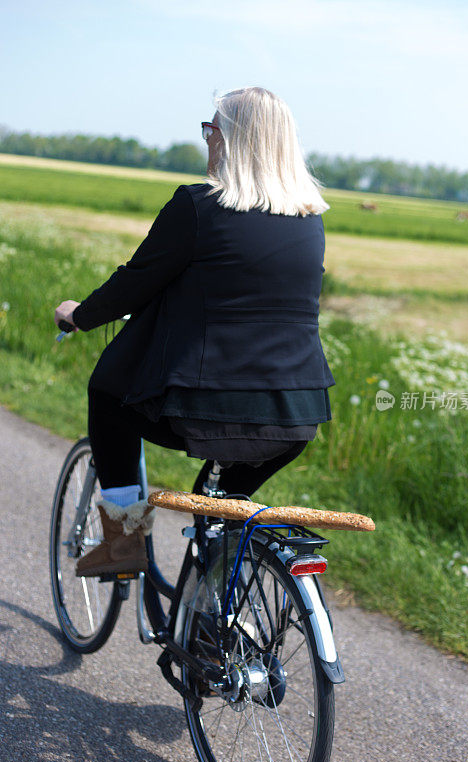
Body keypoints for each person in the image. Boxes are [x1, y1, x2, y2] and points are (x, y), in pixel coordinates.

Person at [53, 86, 336, 578]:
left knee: (107, 393)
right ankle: (210, 624)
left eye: (211, 129)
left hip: (211, 407)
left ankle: (123, 542)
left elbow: (134, 284)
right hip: (297, 414)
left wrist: (79, 315)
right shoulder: (309, 221)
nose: (207, 141)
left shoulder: (198, 206)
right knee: (218, 507)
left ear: (229, 139)